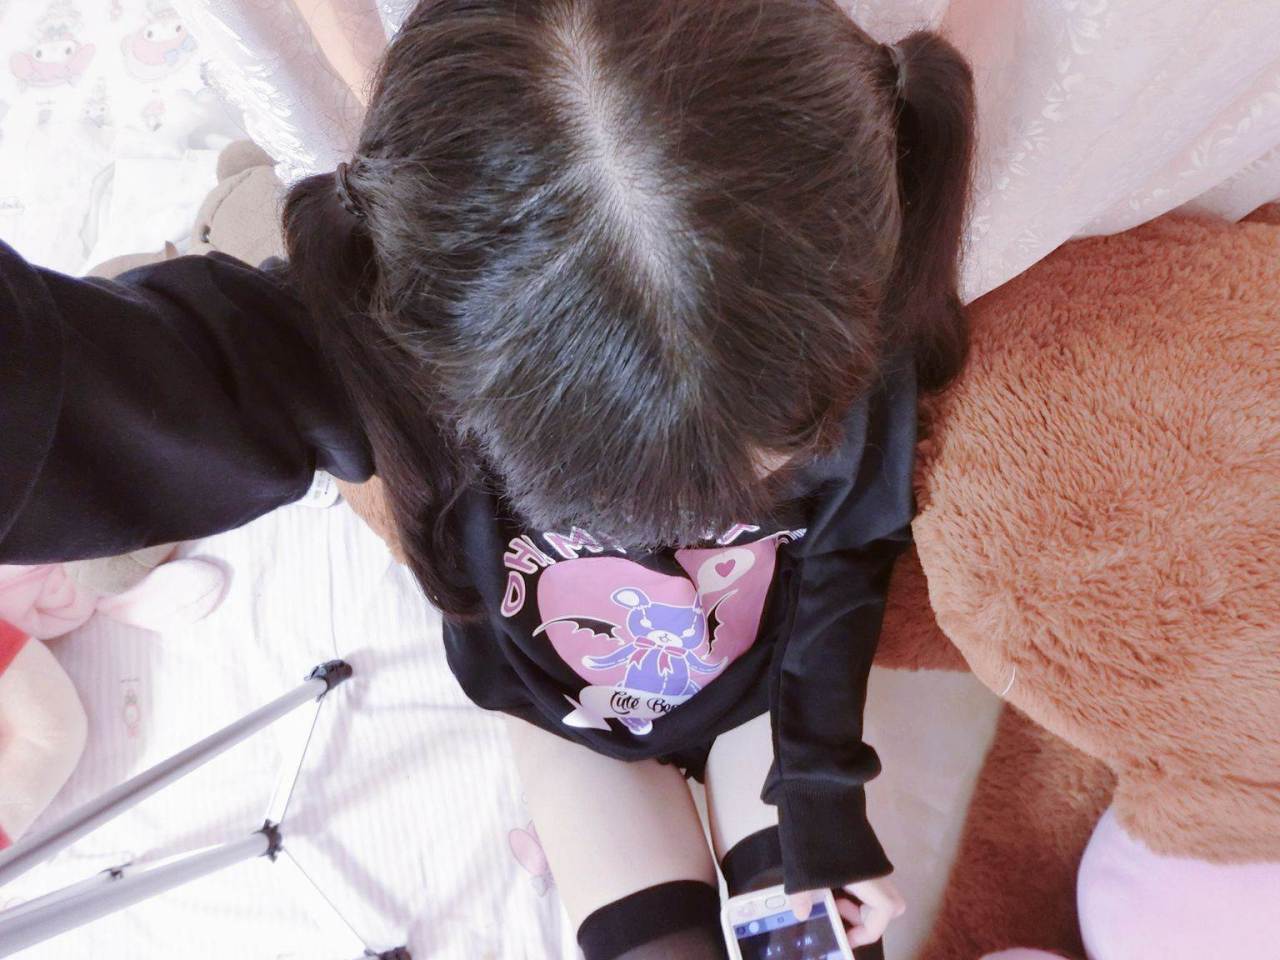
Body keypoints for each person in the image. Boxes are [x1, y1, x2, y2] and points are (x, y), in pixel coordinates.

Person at [0, 1, 975, 956]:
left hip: (767, 693)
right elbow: (102, 405)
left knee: (808, 943)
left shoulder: (844, 340)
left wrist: (819, 793)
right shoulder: (388, 334)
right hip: (561, 717)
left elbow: (848, 555)